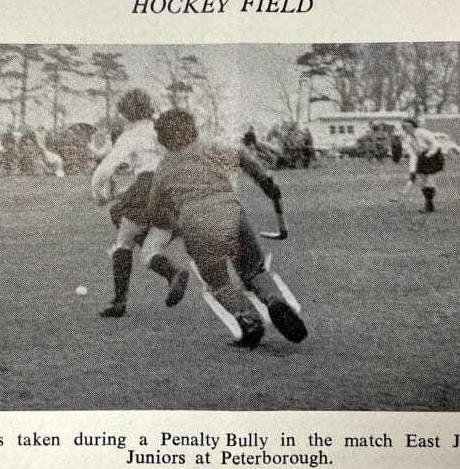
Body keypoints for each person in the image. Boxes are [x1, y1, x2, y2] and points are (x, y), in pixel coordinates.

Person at [146, 109, 308, 349]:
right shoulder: (211, 149)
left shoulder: (163, 167)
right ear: (192, 127)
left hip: (194, 223)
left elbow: (154, 210)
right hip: (231, 213)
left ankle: (249, 321)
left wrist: (176, 223)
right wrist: (266, 183)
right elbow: (243, 157)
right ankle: (273, 301)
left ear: (162, 138)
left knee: (219, 281)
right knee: (254, 271)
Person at [90, 89, 189, 318]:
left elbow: (103, 171)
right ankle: (174, 272)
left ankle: (118, 303)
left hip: (148, 186)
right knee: (149, 252)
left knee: (124, 241)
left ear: (125, 113)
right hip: (174, 190)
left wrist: (98, 193)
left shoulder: (130, 136)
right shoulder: (162, 129)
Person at [392, 118, 445, 212]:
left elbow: (436, 144)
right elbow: (413, 155)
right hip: (422, 157)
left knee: (429, 181)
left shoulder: (422, 132)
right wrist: (412, 170)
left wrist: (429, 154)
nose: (406, 128)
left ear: (413, 125)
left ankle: (428, 207)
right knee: (423, 183)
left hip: (434, 156)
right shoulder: (408, 139)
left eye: (407, 126)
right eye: (404, 127)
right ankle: (430, 206)